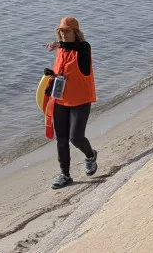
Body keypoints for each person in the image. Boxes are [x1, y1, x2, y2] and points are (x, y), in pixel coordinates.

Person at [43, 16, 98, 189]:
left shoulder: (84, 49)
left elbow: (80, 47)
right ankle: (65, 175)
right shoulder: (61, 50)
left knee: (76, 137)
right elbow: (62, 74)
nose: (64, 34)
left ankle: (90, 155)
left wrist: (59, 44)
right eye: (61, 31)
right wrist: (50, 82)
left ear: (76, 33)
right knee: (61, 139)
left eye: (67, 31)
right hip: (61, 99)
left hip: (81, 100)